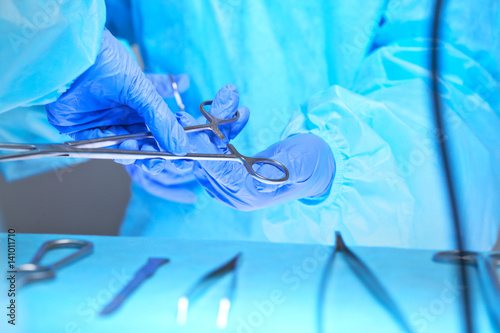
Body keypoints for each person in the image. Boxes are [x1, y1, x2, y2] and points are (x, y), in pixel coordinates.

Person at [1, 0, 499, 250]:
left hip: (370, 261)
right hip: (176, 245)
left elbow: (464, 79)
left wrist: (341, 164)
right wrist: (69, 72)